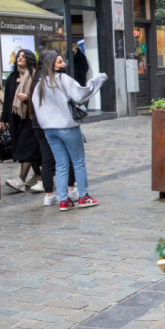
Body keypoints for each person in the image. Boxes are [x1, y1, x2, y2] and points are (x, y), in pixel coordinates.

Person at [32, 50, 108, 211]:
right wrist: (99, 79)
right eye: (59, 62)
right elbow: (82, 93)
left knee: (61, 164)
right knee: (78, 162)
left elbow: (36, 106)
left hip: (49, 130)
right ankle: (83, 196)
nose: (63, 64)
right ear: (51, 64)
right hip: (67, 127)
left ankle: (63, 200)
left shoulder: (40, 83)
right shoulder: (63, 79)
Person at [0, 49, 43, 193]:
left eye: (24, 56)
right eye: (18, 56)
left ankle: (20, 180)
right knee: (28, 148)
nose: (20, 58)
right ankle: (39, 176)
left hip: (31, 117)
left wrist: (27, 99)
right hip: (16, 118)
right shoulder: (12, 77)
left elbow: (39, 97)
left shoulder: (35, 75)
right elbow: (7, 100)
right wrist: (4, 118)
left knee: (26, 145)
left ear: (30, 59)